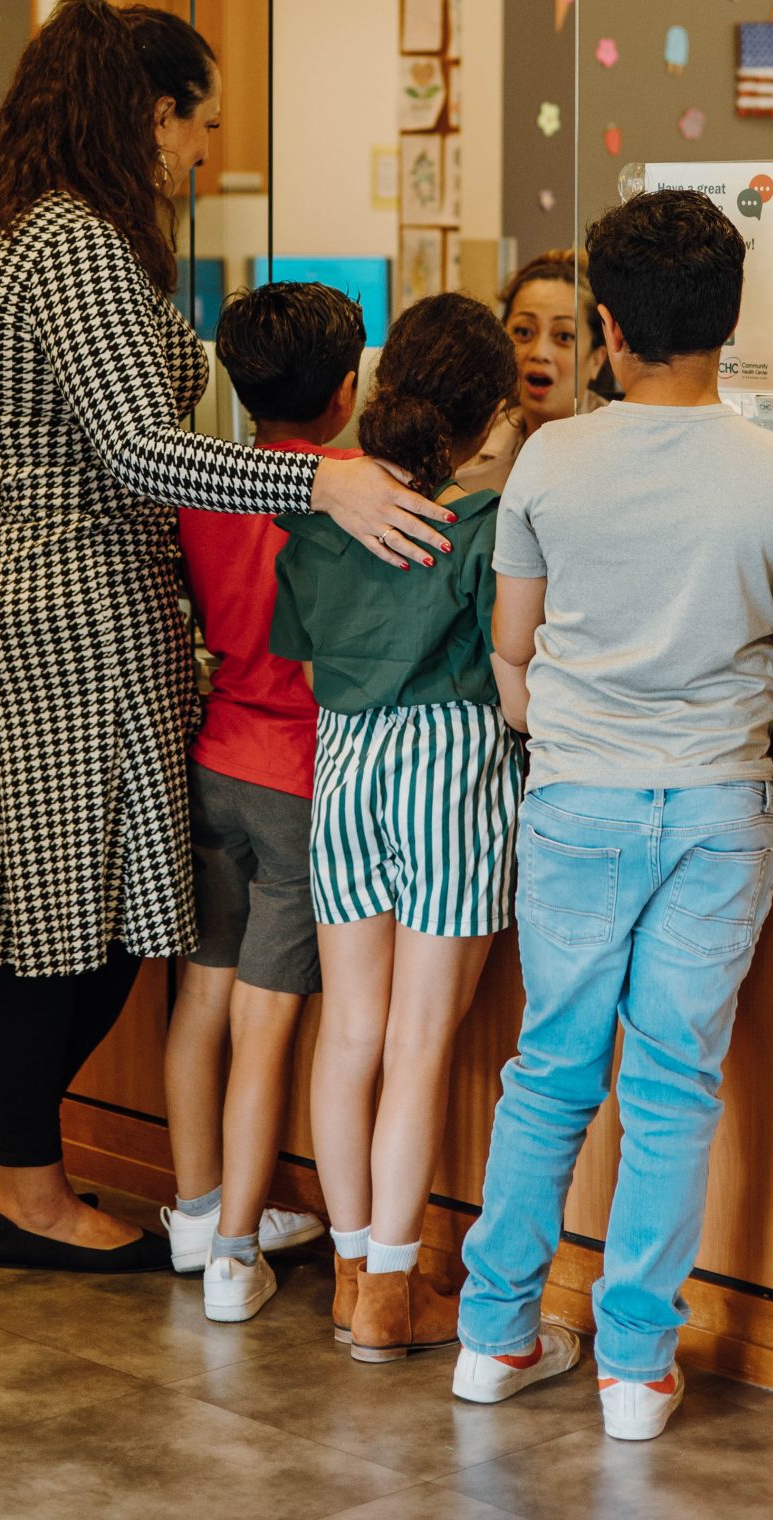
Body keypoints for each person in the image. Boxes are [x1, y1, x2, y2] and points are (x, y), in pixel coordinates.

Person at [0, 0, 454, 1274]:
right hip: (78, 598)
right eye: (201, 123)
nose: (204, 153)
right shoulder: (77, 244)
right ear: (150, 114)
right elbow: (132, 445)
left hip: (12, 581)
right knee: (89, 913)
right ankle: (31, 1193)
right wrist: (320, 478)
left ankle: (3, 1168)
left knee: (41, 897)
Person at [453, 190, 773, 1437]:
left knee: (551, 1074)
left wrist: (548, 723)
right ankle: (634, 1367)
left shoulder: (549, 459)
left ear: (609, 328)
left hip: (578, 799)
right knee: (674, 1083)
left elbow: (512, 641)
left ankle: (493, 1337)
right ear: (729, 329)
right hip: (723, 807)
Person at [272, 292, 520, 1365]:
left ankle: (346, 1270)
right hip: (449, 764)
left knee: (352, 1033)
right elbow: (518, 664)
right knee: (420, 1045)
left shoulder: (318, 518)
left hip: (344, 761)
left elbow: (302, 647)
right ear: (492, 417)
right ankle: (393, 1290)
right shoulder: (488, 528)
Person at [162, 282, 366, 1322]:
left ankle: (197, 1209)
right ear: (347, 390)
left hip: (215, 754)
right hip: (298, 775)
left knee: (203, 991)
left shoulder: (207, 484)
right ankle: (237, 1253)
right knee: (270, 1013)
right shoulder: (353, 486)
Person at [457, 251, 608, 494]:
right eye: (524, 332)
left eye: (563, 336)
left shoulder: (624, 451)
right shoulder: (468, 443)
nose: (539, 352)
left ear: (597, 360)